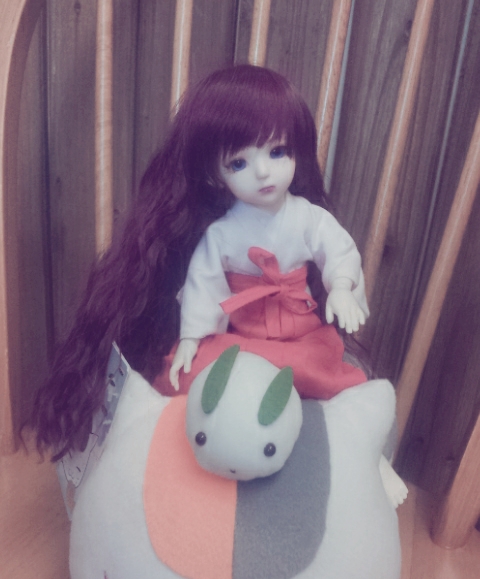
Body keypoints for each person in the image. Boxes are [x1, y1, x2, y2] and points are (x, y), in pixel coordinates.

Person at [32, 64, 407, 507]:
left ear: (298, 152)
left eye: (278, 152)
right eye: (239, 162)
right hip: (241, 337)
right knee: (186, 372)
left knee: (335, 381)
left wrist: (342, 286)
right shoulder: (223, 233)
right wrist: (192, 338)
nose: (263, 172)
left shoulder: (309, 219)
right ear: (215, 174)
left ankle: (369, 462)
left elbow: (338, 252)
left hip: (300, 331)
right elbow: (204, 285)